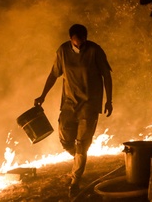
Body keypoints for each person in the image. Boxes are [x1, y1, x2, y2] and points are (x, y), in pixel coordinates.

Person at [34, 23, 113, 198]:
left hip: (89, 104)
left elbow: (106, 75)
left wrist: (109, 100)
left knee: (81, 144)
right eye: (76, 42)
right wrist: (42, 96)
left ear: (86, 38)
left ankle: (75, 181)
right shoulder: (63, 51)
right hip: (69, 103)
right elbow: (54, 74)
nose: (80, 45)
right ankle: (79, 156)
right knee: (65, 138)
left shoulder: (94, 51)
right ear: (71, 39)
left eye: (82, 41)